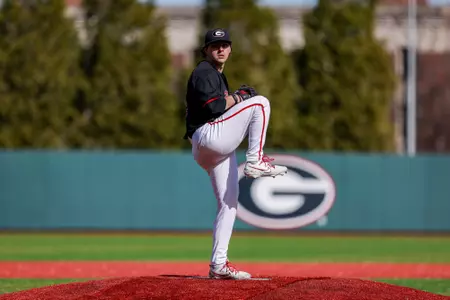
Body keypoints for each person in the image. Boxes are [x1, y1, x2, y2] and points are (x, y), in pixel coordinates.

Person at [184, 28, 288, 280]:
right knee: (260, 103)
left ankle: (218, 265)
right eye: (215, 45)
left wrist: (236, 99)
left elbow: (223, 107)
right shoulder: (204, 72)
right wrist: (239, 97)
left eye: (225, 44)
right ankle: (255, 160)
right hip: (207, 136)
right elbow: (216, 106)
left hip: (212, 147)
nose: (220, 49)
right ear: (206, 50)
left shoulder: (218, 75)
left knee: (229, 203)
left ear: (230, 49)